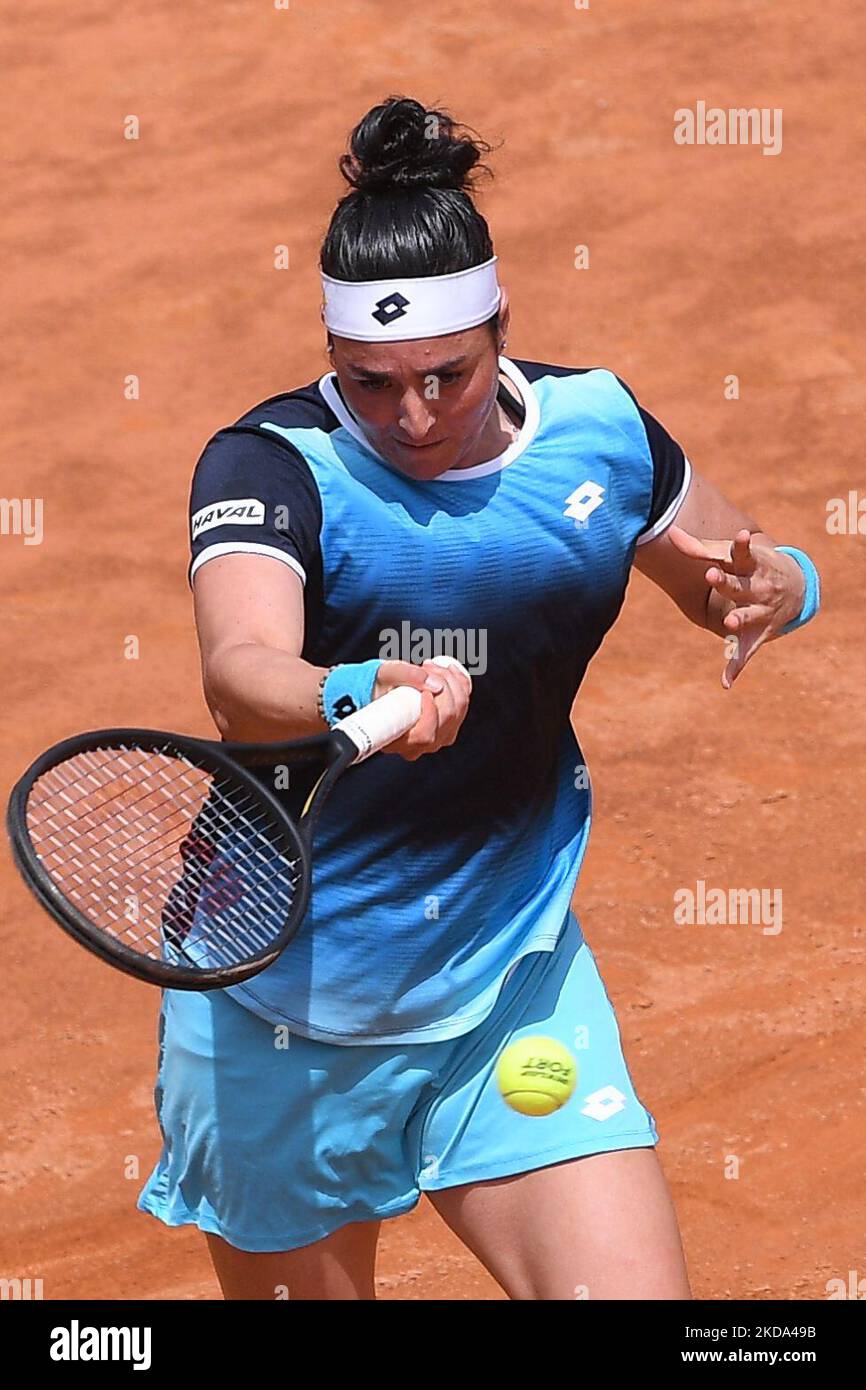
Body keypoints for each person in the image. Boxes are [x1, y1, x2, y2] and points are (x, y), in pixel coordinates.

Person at [137, 95, 820, 1300]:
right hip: (279, 1006)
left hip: (510, 982)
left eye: (445, 377)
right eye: (371, 381)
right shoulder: (270, 464)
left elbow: (730, 577)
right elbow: (241, 673)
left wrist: (782, 584)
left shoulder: (598, 435)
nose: (409, 417)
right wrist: (357, 686)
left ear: (503, 325)